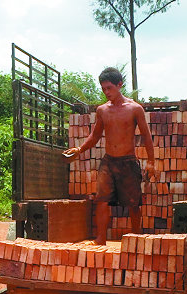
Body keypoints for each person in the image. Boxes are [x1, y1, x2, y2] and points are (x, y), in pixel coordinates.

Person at [63, 67, 156, 244]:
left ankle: (136, 238)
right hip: (108, 162)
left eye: (109, 88)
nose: (106, 92)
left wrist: (151, 162)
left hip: (128, 162)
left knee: (133, 203)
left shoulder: (135, 109)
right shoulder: (102, 110)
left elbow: (146, 135)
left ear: (119, 85)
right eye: (103, 88)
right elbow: (95, 135)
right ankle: (100, 239)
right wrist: (79, 149)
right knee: (102, 200)